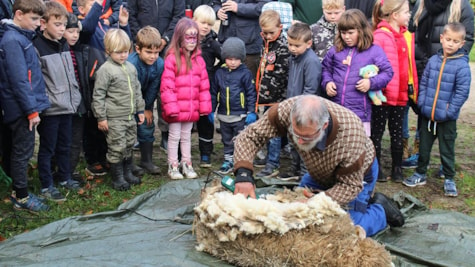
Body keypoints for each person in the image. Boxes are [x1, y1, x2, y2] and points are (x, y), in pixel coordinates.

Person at [232, 95, 404, 236]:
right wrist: (244, 174)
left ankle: (380, 211)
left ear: (325, 125)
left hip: (356, 175)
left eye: (306, 137)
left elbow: (349, 185)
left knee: (346, 226)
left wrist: (316, 202)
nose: (299, 141)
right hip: (318, 171)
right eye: (295, 134)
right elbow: (250, 136)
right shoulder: (286, 110)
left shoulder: (351, 136)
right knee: (297, 216)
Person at [402, 0, 474, 170]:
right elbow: (413, 31)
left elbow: (468, 37)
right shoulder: (422, 3)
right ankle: (420, 156)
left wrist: (453, 63)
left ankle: (445, 162)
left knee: (445, 123)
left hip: (447, 69)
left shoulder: (461, 5)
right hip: (423, 65)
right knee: (424, 111)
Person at [0, 0, 50, 212]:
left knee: (20, 150)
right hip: (21, 109)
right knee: (23, 152)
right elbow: (19, 80)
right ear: (18, 14)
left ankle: (20, 188)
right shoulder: (12, 40)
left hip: (25, 106)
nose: (38, 24)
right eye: (34, 19)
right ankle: (20, 195)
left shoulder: (21, 37)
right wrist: (31, 111)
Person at [33, 2, 82, 202]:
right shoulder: (37, 47)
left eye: (64, 25)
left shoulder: (63, 44)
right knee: (47, 148)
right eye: (58, 24)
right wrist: (44, 103)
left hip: (68, 105)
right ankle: (46, 185)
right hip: (51, 108)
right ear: (44, 24)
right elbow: (38, 80)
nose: (62, 29)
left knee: (65, 144)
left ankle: (64, 177)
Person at [321, 9, 393, 137]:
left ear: (361, 30)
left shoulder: (374, 51)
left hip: (359, 113)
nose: (346, 37)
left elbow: (387, 72)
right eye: (343, 33)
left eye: (350, 33)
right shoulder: (336, 50)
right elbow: (326, 68)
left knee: (358, 150)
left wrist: (371, 83)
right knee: (335, 147)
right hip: (335, 110)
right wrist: (327, 82)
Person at [92, 28, 145, 191]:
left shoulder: (130, 68)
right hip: (114, 117)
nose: (123, 55)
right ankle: (117, 177)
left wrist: (140, 110)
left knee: (129, 143)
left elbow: (137, 89)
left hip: (130, 116)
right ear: (108, 51)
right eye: (118, 52)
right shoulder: (105, 70)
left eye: (125, 51)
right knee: (117, 146)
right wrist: (101, 117)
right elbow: (98, 95)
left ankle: (128, 172)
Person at [371, 0, 418, 183]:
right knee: (377, 131)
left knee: (397, 132)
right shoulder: (380, 36)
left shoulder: (406, 36)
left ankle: (397, 168)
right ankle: (376, 168)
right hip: (382, 96)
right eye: (406, 12)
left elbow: (409, 64)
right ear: (394, 15)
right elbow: (374, 65)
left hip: (401, 95)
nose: (409, 15)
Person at [160, 17, 212, 179]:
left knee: (187, 136)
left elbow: (204, 86)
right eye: (188, 37)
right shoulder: (171, 59)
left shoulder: (199, 61)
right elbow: (167, 86)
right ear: (180, 38)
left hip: (191, 107)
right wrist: (172, 108)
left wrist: (204, 107)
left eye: (194, 37)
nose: (191, 41)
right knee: (174, 136)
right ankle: (173, 164)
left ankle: (186, 162)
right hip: (176, 108)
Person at [63, 13, 107, 184]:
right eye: (70, 31)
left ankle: (79, 167)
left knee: (87, 133)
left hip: (85, 99)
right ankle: (64, 171)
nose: (74, 35)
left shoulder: (84, 49)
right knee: (70, 138)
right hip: (66, 101)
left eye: (76, 32)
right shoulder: (61, 50)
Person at [279, 21, 321, 181]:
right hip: (293, 106)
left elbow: (311, 88)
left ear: (308, 43)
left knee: (305, 145)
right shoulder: (294, 57)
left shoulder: (311, 61)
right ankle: (294, 169)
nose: (292, 48)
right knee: (293, 141)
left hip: (306, 110)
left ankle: (306, 174)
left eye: (296, 45)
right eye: (290, 44)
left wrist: (301, 109)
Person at [209, 37, 257, 175]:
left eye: (236, 59)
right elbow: (214, 92)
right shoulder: (219, 73)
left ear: (241, 58)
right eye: (229, 59)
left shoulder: (245, 73)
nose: (233, 62)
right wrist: (211, 110)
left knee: (240, 138)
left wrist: (251, 111)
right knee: (226, 139)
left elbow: (251, 93)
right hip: (224, 114)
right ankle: (228, 160)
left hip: (240, 114)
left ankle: (241, 160)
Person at [254, 10, 290, 178]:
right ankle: (271, 157)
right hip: (265, 96)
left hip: (276, 98)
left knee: (273, 132)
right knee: (268, 130)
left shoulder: (283, 47)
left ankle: (272, 164)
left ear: (280, 28)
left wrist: (268, 92)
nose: (268, 36)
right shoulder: (265, 43)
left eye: (271, 33)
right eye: (264, 33)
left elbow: (281, 74)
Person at [128, 26, 164, 175]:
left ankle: (146, 160)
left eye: (156, 52)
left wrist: (147, 108)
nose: (153, 56)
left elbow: (154, 88)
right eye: (149, 52)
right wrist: (138, 109)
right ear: (138, 49)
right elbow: (130, 90)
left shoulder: (159, 64)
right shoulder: (131, 64)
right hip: (129, 101)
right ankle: (128, 163)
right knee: (128, 130)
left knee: (147, 125)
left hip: (145, 98)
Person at [192, 5, 222, 168]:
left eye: (209, 24)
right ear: (194, 21)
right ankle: (183, 154)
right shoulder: (187, 41)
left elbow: (225, 58)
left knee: (206, 121)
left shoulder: (213, 44)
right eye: (202, 23)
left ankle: (206, 153)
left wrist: (213, 71)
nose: (205, 27)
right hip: (189, 88)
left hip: (206, 89)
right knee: (187, 121)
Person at [212, 0, 271, 79]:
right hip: (226, 42)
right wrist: (217, 10)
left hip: (249, 46)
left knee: (249, 84)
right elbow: (214, 3)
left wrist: (239, 8)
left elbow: (265, 6)